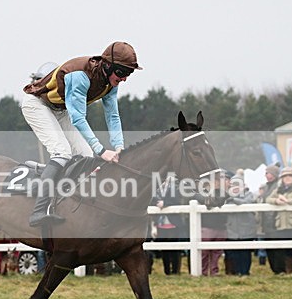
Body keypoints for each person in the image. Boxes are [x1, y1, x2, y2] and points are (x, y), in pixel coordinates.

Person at [21, 41, 141, 226]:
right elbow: (78, 118)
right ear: (108, 66)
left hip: (60, 109)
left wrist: (119, 147)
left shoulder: (110, 83)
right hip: (37, 105)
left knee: (85, 156)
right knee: (62, 152)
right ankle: (39, 210)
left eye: (129, 74)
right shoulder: (80, 76)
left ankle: (66, 201)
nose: (124, 78)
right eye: (122, 73)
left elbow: (113, 116)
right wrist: (101, 151)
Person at [266, 167, 292, 274]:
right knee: (286, 249)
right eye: (285, 177)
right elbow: (268, 199)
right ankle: (289, 271)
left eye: (289, 176)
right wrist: (277, 201)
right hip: (282, 224)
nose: (287, 178)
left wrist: (288, 201)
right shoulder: (278, 189)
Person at [153, 175, 187, 275]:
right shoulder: (156, 190)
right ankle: (167, 271)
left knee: (175, 248)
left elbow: (177, 201)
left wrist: (165, 203)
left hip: (173, 223)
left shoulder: (174, 188)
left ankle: (176, 270)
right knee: (164, 249)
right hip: (160, 223)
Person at [224, 175, 257, 276]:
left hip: (246, 229)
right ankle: (236, 271)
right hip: (232, 229)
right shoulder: (225, 196)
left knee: (245, 253)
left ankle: (245, 272)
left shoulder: (249, 194)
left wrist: (234, 200)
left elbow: (248, 203)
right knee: (234, 252)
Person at [260, 165, 284, 274]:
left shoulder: (279, 186)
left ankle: (279, 269)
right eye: (266, 173)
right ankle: (274, 268)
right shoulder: (265, 187)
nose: (267, 175)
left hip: (275, 220)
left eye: (268, 173)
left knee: (277, 246)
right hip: (266, 221)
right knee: (269, 246)